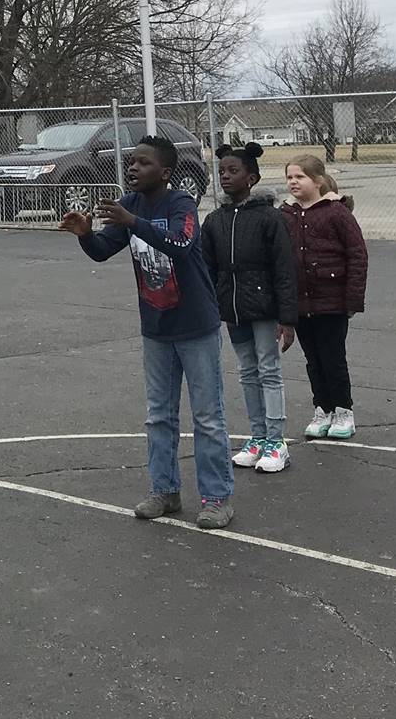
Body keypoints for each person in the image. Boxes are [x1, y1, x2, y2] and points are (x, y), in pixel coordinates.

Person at [63, 135, 235, 529]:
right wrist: (86, 235)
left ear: (166, 172)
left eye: (142, 163)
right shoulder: (129, 205)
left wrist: (134, 222)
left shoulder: (181, 204)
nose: (133, 169)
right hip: (156, 327)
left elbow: (180, 243)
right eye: (130, 163)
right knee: (159, 415)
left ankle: (216, 497)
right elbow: (104, 249)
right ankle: (164, 490)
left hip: (195, 325)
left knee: (208, 417)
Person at [202, 143, 298, 474]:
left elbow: (284, 269)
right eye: (222, 171)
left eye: (234, 171)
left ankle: (276, 440)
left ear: (252, 177)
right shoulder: (215, 220)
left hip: (265, 308)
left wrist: (288, 318)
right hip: (233, 308)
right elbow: (207, 266)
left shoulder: (271, 218)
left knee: (268, 369)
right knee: (247, 370)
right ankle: (257, 436)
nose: (226, 176)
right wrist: (213, 302)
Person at [281, 155, 367, 440]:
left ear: (317, 180)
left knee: (332, 358)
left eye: (300, 177)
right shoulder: (286, 214)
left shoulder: (336, 213)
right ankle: (323, 408)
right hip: (301, 303)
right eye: (290, 177)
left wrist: (352, 300)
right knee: (313, 359)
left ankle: (343, 410)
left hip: (332, 301)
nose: (293, 182)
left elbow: (357, 255)